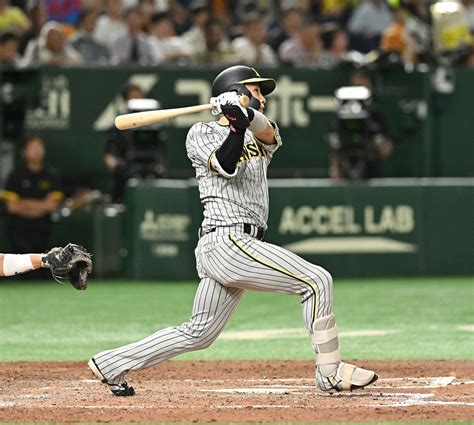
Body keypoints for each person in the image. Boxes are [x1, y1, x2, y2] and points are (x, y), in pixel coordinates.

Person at [88, 65, 378, 397]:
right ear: (237, 90)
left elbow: (267, 131)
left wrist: (243, 115)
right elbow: (226, 165)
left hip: (241, 242)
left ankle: (110, 363)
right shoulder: (200, 132)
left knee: (199, 333)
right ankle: (329, 372)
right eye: (256, 92)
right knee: (316, 280)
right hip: (226, 240)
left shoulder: (259, 133)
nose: (264, 99)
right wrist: (235, 126)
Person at [1, 135, 64, 258]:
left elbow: (51, 206)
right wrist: (42, 205)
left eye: (39, 146)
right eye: (32, 146)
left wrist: (24, 204)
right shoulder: (15, 176)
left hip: (44, 230)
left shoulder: (52, 175)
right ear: (24, 152)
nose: (36, 150)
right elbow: (12, 207)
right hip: (19, 230)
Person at [328, 71, 393, 180]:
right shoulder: (341, 114)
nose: (358, 90)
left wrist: (377, 144)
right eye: (355, 86)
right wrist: (335, 168)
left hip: (372, 170)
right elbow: (334, 142)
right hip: (345, 171)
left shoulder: (376, 113)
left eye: (362, 86)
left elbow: (386, 148)